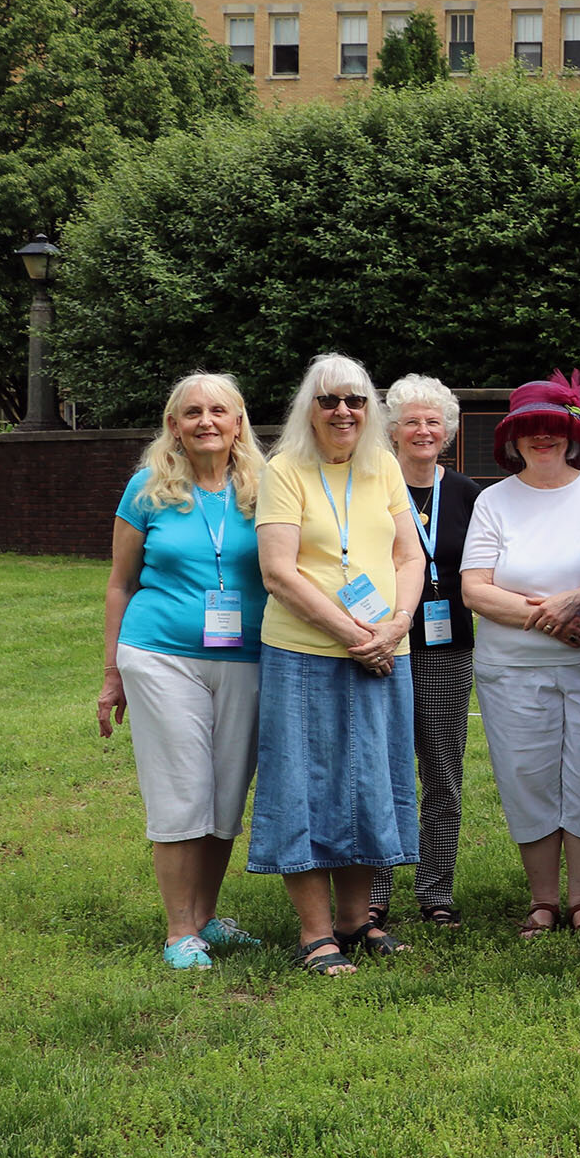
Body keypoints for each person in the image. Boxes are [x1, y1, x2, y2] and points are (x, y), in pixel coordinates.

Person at [251, 353, 426, 977]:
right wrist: (357, 633)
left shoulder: (383, 466)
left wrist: (397, 623)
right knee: (305, 783)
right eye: (329, 401)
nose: (343, 411)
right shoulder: (283, 470)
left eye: (354, 400)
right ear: (310, 408)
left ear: (370, 409)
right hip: (304, 653)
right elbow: (279, 572)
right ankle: (315, 932)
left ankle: (357, 921)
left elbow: (410, 558)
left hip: (385, 649)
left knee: (369, 782)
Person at [99, 373, 271, 970]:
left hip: (247, 657)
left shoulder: (265, 489)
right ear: (174, 425)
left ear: (239, 421)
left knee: (226, 793)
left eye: (219, 410)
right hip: (160, 656)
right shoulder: (147, 489)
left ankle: (206, 918)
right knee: (181, 790)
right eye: (191, 412)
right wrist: (111, 675)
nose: (206, 421)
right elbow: (120, 584)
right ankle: (178, 931)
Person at [460, 373, 580, 939]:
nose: (542, 440)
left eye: (553, 429)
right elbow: (475, 589)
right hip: (512, 670)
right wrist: (552, 621)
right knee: (527, 777)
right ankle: (542, 902)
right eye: (530, 431)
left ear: (574, 434)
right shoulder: (493, 501)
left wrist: (570, 604)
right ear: (513, 441)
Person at [369, 375, 482, 930]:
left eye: (432, 421)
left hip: (446, 647)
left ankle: (436, 890)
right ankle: (374, 891)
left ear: (448, 432)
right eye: (411, 421)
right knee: (382, 769)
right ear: (391, 431)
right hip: (382, 646)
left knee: (441, 770)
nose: (422, 430)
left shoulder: (465, 493)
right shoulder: (371, 489)